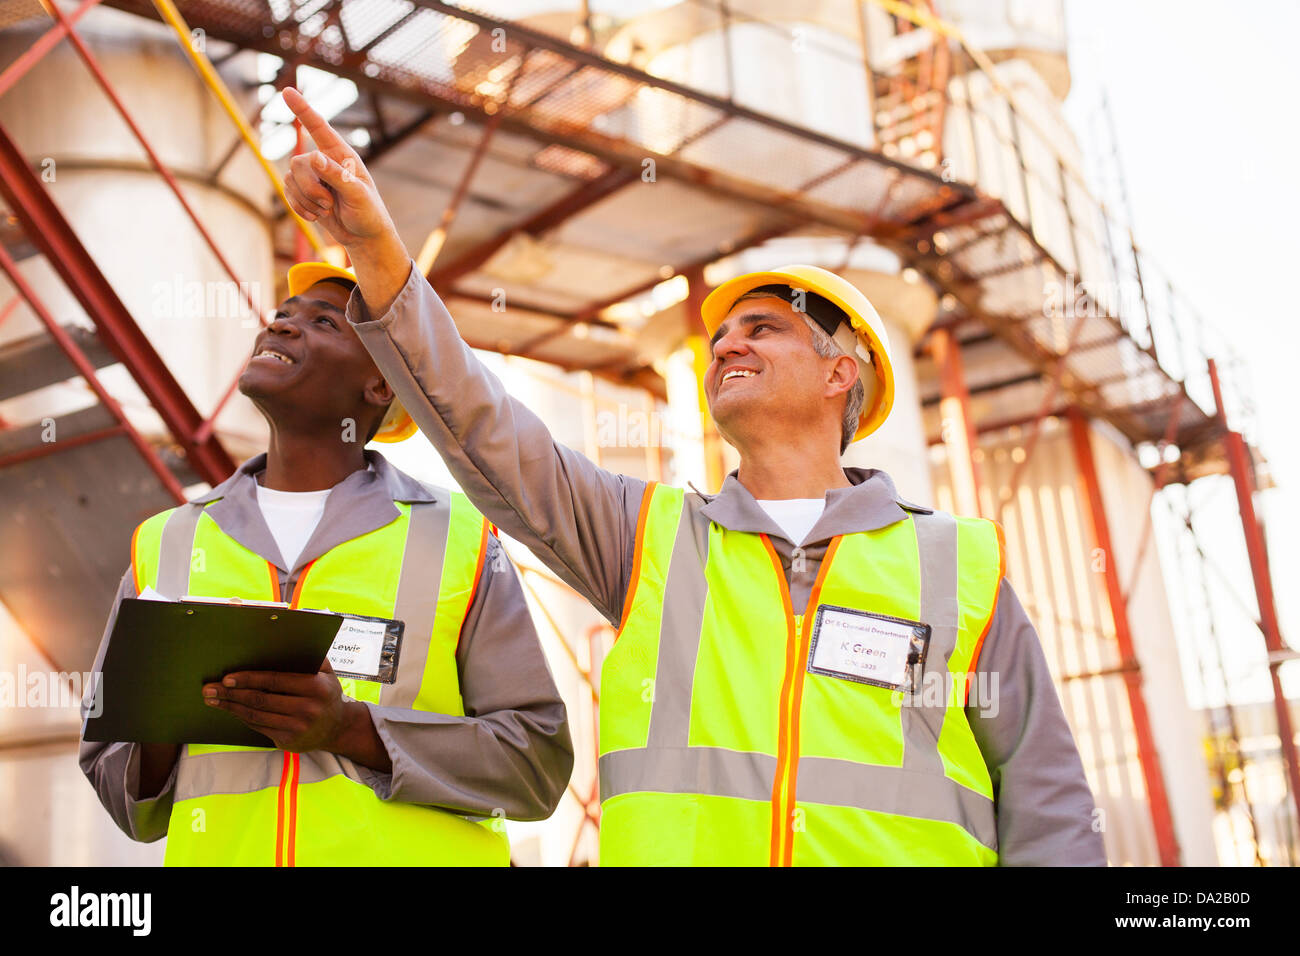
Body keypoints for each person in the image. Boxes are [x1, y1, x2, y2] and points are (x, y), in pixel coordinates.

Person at [279, 87, 1106, 866]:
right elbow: (485, 429)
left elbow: (1048, 804)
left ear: (837, 374)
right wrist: (376, 249)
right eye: (722, 335)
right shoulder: (649, 539)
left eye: (764, 328)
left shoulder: (957, 563)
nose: (726, 344)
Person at [79, 261, 573, 866]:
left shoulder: (459, 540)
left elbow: (536, 767)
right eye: (283, 315)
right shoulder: (165, 543)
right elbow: (118, 785)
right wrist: (172, 710)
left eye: (322, 322)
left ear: (379, 386)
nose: (282, 327)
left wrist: (350, 731)